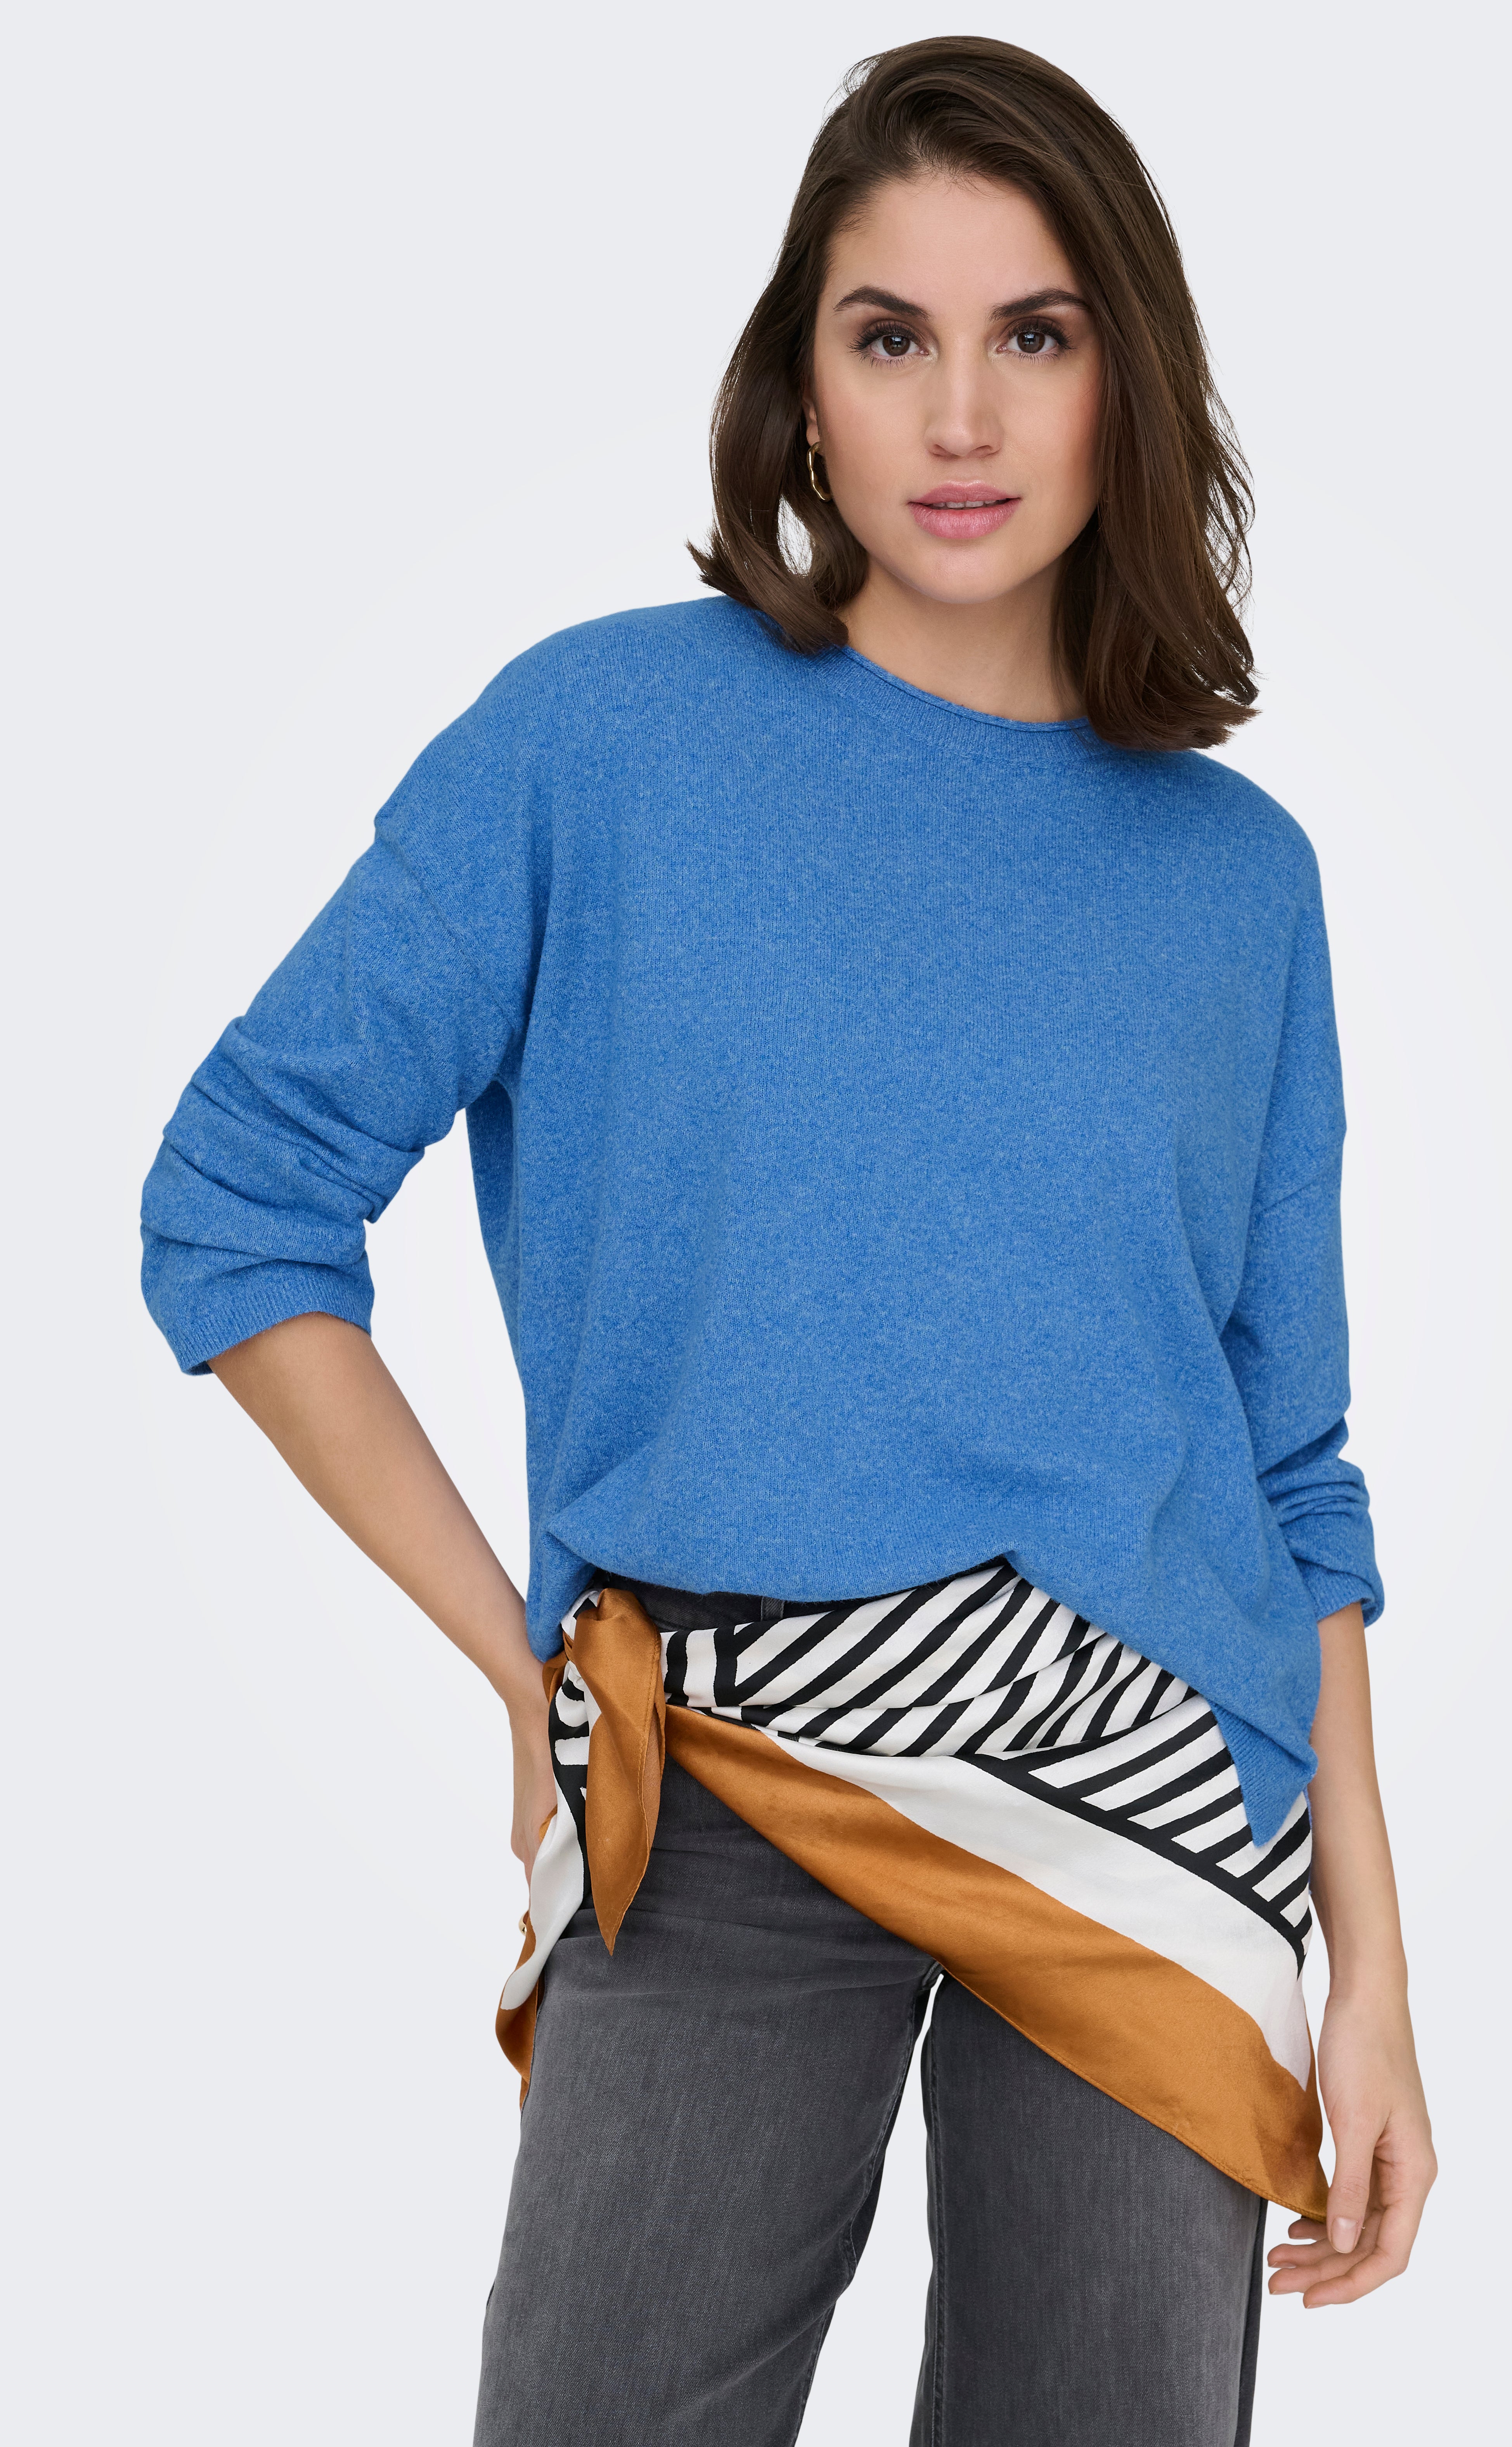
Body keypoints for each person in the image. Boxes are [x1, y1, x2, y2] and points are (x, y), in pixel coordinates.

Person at [140, 35, 1435, 2446]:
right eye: (890, 333)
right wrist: (517, 1666)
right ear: (802, 391)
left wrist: (1374, 1973)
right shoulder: (598, 743)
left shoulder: (1238, 884)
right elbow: (237, 1202)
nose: (963, 412)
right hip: (719, 1756)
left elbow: (1291, 1465)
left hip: (1153, 1797)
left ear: (1128, 380)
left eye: (1034, 332)